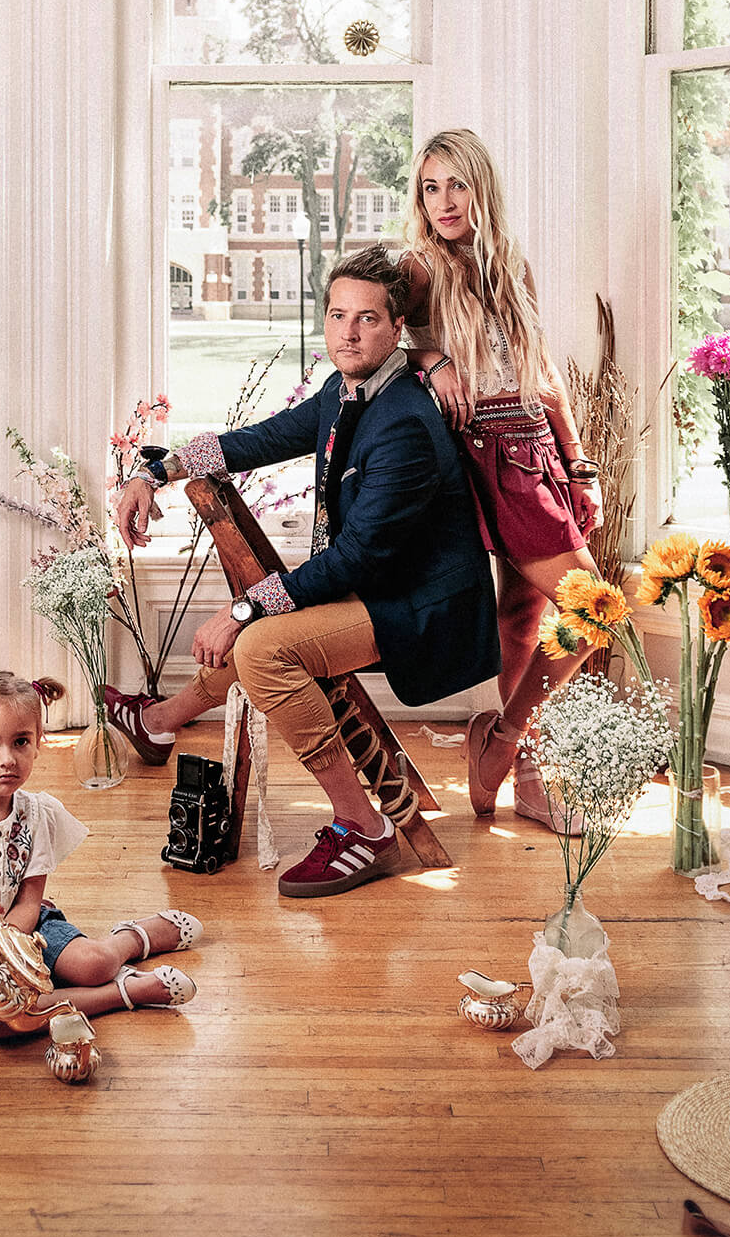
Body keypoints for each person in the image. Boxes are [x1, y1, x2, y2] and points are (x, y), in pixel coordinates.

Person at [109, 244, 500, 898]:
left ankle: (363, 827)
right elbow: (255, 439)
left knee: (261, 646)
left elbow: (355, 559)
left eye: (368, 318)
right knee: (261, 635)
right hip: (375, 588)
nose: (349, 332)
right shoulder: (341, 390)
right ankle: (156, 724)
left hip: (422, 610)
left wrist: (241, 611)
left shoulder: (403, 419)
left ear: (397, 328)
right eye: (338, 315)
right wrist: (155, 471)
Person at [398, 128, 602, 827]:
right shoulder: (417, 267)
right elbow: (367, 332)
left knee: (526, 617)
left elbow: (541, 371)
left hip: (536, 445)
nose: (444, 201)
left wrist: (580, 462)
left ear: (482, 186)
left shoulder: (510, 262)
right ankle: (508, 745)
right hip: (480, 449)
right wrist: (432, 362)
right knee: (595, 609)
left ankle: (525, 775)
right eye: (431, 187)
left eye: (457, 184)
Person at [0, 669, 203, 1033]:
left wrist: (7, 950)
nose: (7, 759)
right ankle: (126, 992)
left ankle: (132, 938)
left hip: (22, 932)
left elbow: (30, 901)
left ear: (38, 741)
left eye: (20, 742)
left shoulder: (36, 813)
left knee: (93, 964)